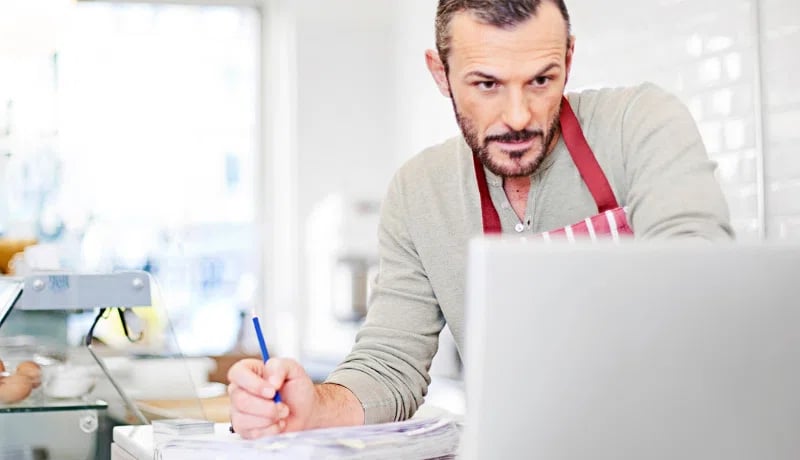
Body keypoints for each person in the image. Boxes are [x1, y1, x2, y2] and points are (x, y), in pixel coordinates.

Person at [227, 0, 733, 439]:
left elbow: (700, 276)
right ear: (440, 73)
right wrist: (315, 408)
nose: (518, 116)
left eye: (541, 79)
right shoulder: (420, 191)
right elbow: (390, 366)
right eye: (486, 84)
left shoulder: (638, 124)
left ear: (569, 59)